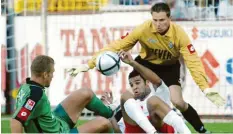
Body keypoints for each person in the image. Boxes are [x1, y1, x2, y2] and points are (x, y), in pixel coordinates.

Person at [68, 2, 225, 133]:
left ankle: (202, 130)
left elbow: (193, 62)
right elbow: (116, 45)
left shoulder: (180, 35)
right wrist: (88, 64)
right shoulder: (143, 29)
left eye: (162, 20)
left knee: (178, 102)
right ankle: (120, 121)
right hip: (144, 63)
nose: (158, 24)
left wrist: (204, 88)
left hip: (168, 67)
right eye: (155, 20)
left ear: (170, 18)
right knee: (130, 96)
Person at [11, 55, 114, 133]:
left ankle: (112, 113)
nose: (53, 76)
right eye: (52, 73)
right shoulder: (35, 95)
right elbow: (17, 120)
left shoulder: (26, 87)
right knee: (104, 123)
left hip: (55, 122)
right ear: (45, 74)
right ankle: (116, 123)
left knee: (85, 93)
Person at [102, 50, 191, 133]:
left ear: (147, 82)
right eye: (131, 85)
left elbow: (157, 81)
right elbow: (119, 131)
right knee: (125, 96)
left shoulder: (159, 93)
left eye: (137, 83)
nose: (134, 87)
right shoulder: (130, 104)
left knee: (153, 101)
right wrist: (108, 113)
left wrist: (132, 63)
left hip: (161, 129)